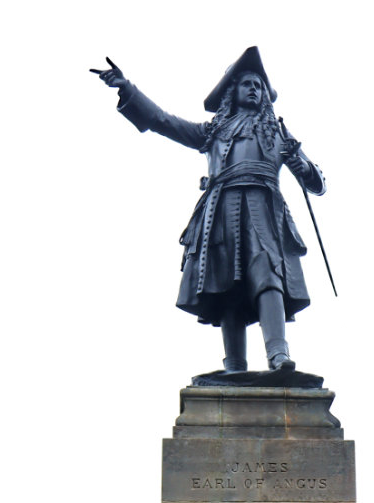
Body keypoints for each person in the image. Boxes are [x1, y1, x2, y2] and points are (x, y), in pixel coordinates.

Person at [92, 47, 325, 373]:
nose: (254, 89)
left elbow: (316, 183)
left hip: (264, 207)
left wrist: (299, 161)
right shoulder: (213, 131)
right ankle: (235, 366)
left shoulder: (278, 132)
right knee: (227, 280)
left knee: (266, 269)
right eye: (247, 84)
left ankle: (278, 354)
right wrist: (127, 88)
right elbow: (163, 122)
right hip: (222, 209)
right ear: (234, 92)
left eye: (258, 85)